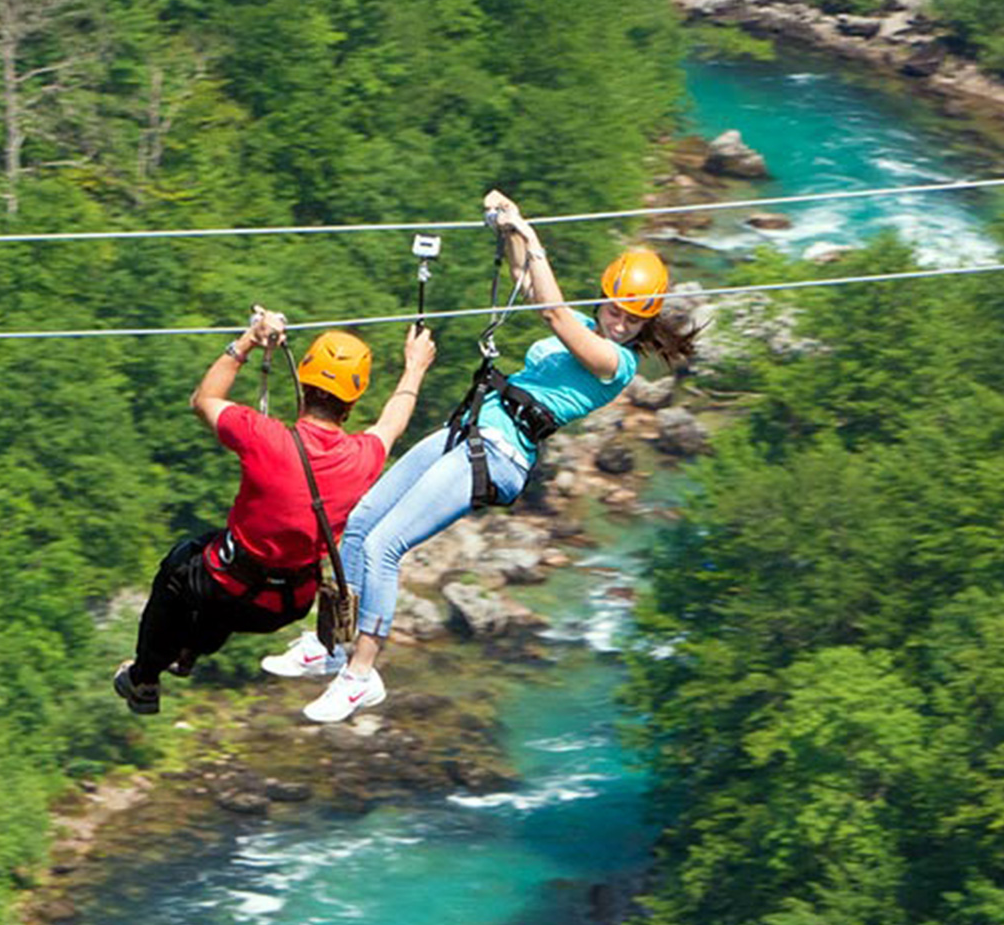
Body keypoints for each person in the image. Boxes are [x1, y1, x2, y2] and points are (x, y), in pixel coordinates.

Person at [264, 190, 699, 722]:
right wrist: (509, 227)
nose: (621, 323)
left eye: (634, 318)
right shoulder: (588, 329)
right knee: (358, 524)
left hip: (499, 453)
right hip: (467, 427)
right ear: (603, 299)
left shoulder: (616, 363)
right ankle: (332, 646)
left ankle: (361, 676)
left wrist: (531, 233)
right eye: (616, 309)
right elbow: (526, 280)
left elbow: (554, 313)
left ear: (645, 323)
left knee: (384, 546)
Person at [114, 308, 437, 715]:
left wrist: (248, 340)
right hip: (285, 605)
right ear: (352, 402)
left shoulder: (262, 436)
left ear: (302, 383)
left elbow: (203, 400)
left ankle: (145, 679)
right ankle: (186, 649)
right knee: (222, 594)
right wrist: (415, 367)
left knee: (183, 567)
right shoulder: (363, 457)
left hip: (225, 582)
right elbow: (392, 423)